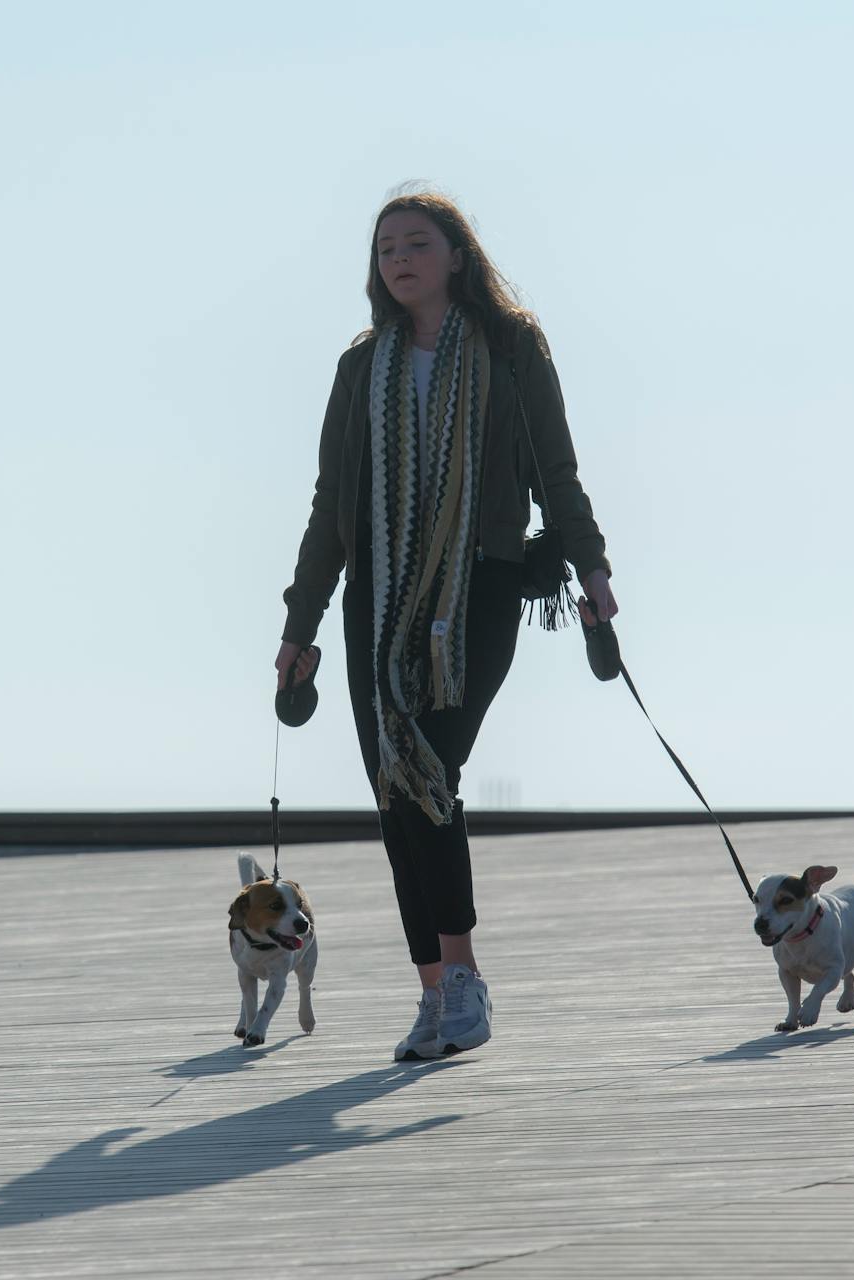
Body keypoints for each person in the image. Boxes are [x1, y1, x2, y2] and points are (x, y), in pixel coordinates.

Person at [275, 188, 619, 1061]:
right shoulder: (362, 367)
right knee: (396, 795)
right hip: (377, 602)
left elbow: (556, 466)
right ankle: (432, 991)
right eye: (385, 246)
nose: (398, 258)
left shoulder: (511, 346)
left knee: (428, 769)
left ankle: (463, 982)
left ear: (456, 256)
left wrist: (592, 566)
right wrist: (301, 621)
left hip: (482, 586)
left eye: (416, 243)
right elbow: (330, 506)